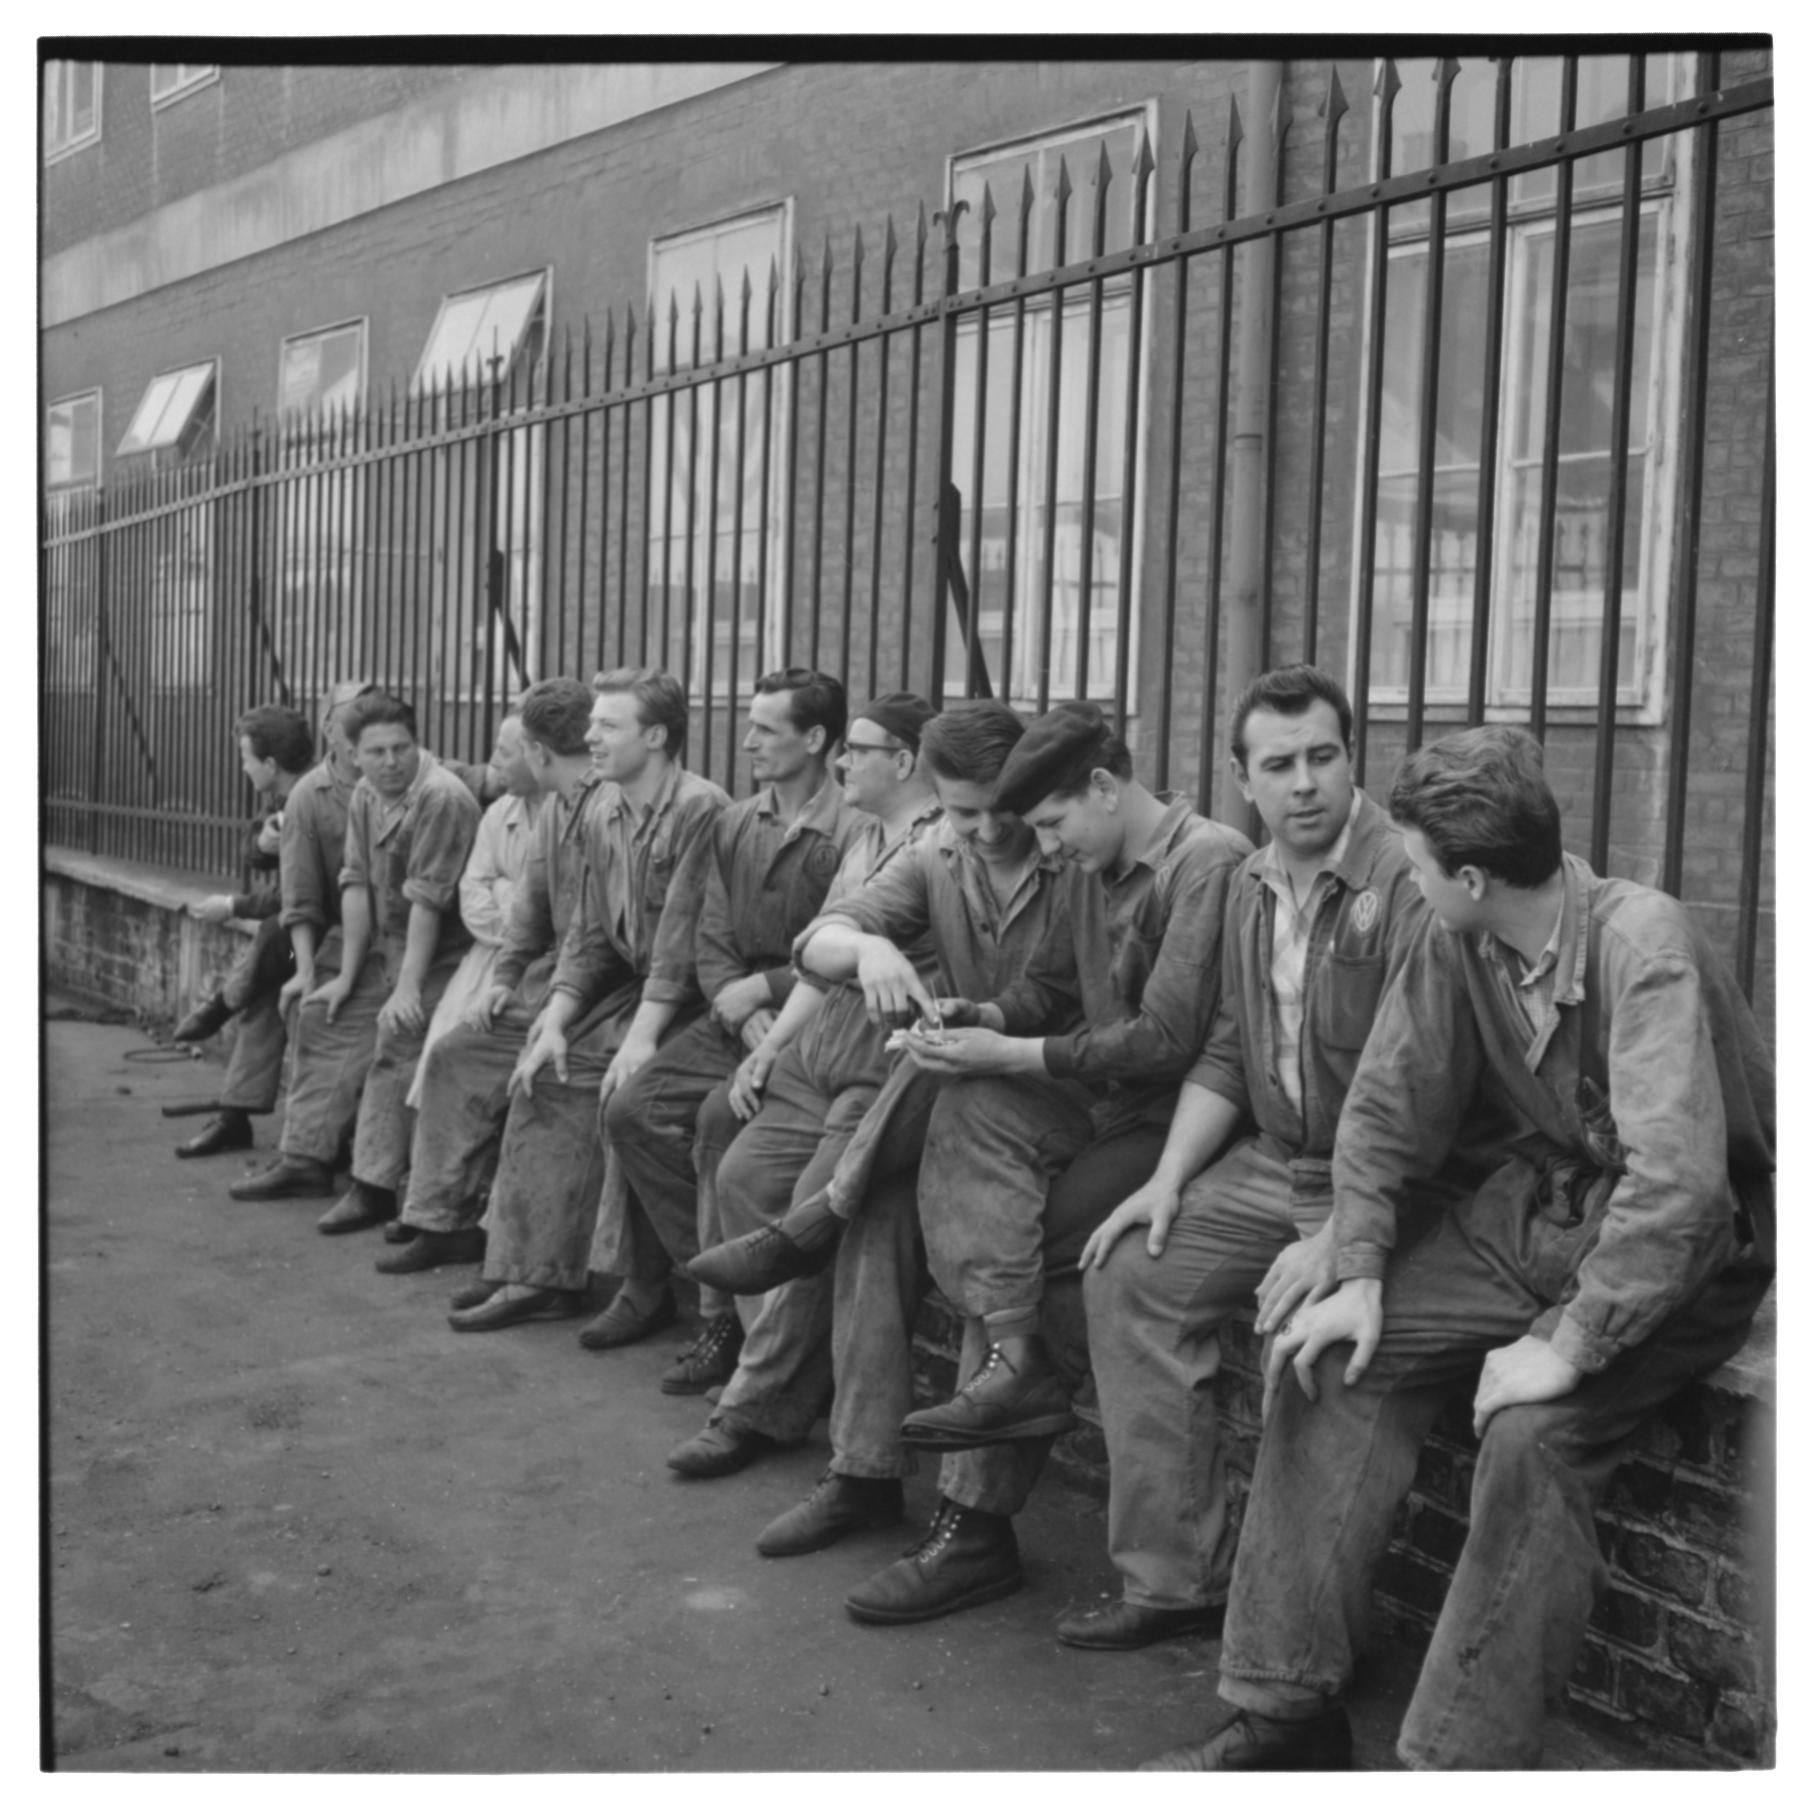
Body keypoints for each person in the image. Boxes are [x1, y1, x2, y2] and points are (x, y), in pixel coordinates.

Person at [1144, 725, 1775, 1771]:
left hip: (1693, 1249)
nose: (1403, 872)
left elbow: (1680, 1191)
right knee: (1325, 1361)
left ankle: (1456, 1765)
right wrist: (1355, 1270)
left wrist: (1566, 1348)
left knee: (1534, 1438)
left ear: (1470, 875)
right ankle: (1286, 1708)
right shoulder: (1461, 932)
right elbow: (1389, 1102)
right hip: (1541, 1208)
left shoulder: (1641, 944)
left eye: (1417, 858)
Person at [1069, 665, 1460, 1651]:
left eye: (1323, 756)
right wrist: (1167, 1179)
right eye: (1278, 764)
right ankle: (1173, 1580)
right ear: (1243, 779)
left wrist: (1340, 1233)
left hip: (1394, 1182)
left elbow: (1432, 1093)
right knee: (1128, 1273)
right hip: (1275, 1162)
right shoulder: (1248, 882)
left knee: (1309, 1344)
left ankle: (1297, 1638)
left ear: (1350, 758)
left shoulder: (1405, 882)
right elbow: (1233, 1047)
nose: (1304, 783)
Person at [840, 701, 1251, 1625]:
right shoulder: (1092, 862)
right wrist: (979, 1018)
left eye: (1055, 825)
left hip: (1189, 1122)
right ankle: (1000, 1427)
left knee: (1043, 1253)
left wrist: (1015, 1053)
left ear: (1104, 787)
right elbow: (1053, 991)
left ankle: (976, 1518)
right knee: (969, 1108)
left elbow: (1166, 1039)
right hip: (1113, 1111)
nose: (1048, 848)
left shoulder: (1206, 860)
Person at [693, 700, 1075, 1558]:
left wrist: (989, 1033)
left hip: (1062, 1106)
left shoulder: (1072, 854)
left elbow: (1097, 1024)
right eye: (957, 810)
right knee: (876, 1220)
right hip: (968, 1100)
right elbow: (816, 942)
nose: (976, 830)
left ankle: (971, 1527)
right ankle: (864, 1474)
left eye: (991, 810)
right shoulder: (940, 852)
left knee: (968, 1220)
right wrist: (866, 950)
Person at [661, 693, 942, 1479]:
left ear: (906, 760)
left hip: (875, 1070)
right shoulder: (864, 840)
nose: (843, 762)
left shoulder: (939, 843)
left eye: (858, 749)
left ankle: (752, 1405)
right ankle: (783, 1374)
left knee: (814, 1219)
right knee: (744, 1176)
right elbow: (820, 954)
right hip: (818, 1055)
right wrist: (771, 1047)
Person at [586, 669, 859, 1374]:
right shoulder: (736, 820)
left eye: (767, 729)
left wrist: (769, 992)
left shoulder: (852, 828)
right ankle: (720, 1277)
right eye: (751, 724)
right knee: (633, 1110)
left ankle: (724, 1327)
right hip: (736, 1015)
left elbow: (850, 935)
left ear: (817, 738)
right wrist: (740, 1009)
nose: (748, 743)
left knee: (716, 1120)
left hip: (815, 1015)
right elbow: (708, 934)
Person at [445, 668, 730, 1330]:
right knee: (546, 1072)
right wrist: (556, 1019)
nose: (590, 736)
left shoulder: (699, 808)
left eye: (607, 725)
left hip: (697, 996)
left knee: (621, 1093)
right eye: (591, 724)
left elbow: (684, 947)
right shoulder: (602, 806)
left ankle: (645, 1284)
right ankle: (533, 1273)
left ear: (655, 736)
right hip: (633, 989)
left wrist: (636, 1040)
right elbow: (591, 935)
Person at [282, 692, 483, 1235]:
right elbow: (354, 882)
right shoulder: (368, 794)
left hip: (444, 954)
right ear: (352, 755)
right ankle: (308, 1159)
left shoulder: (441, 799)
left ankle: (378, 1189)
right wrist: (347, 976)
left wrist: (408, 989)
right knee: (328, 1014)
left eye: (402, 748)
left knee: (398, 1045)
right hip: (386, 950)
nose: (391, 762)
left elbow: (427, 902)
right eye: (376, 752)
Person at [372, 710, 547, 1270]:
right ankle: (435, 1210)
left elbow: (549, 917)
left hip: (540, 972)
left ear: (539, 755)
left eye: (504, 753)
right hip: (490, 958)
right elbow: (474, 901)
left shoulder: (568, 817)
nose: (493, 766)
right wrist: (512, 900)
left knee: (481, 1066)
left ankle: (466, 1215)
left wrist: (510, 897)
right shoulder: (499, 813)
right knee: (439, 1056)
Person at [228, 680, 376, 1200]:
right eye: (351, 723)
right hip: (325, 936)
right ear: (330, 731)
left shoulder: (409, 775)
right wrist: (308, 968)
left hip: (389, 942)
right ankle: (291, 1142)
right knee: (284, 974)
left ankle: (220, 1011)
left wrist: (231, 906)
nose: (367, 740)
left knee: (271, 967)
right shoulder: (309, 796)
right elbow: (297, 894)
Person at [171, 704, 315, 1158]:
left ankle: (221, 1003)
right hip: (293, 941)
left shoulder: (312, 803)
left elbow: (298, 900)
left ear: (270, 765)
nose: (241, 766)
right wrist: (262, 843)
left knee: (275, 935)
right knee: (267, 986)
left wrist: (232, 905)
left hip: (328, 936)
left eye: (245, 757)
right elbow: (252, 851)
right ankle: (235, 1117)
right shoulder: (281, 799)